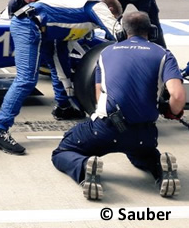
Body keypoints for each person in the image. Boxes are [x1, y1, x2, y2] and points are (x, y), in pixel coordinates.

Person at [51, 11, 184, 200]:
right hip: (143, 133)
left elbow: (98, 97)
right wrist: (171, 111)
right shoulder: (163, 54)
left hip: (105, 129)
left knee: (63, 150)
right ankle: (158, 168)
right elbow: (178, 96)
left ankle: (83, 168)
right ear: (152, 31)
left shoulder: (105, 53)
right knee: (140, 153)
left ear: (122, 32)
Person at [0, 0, 123, 156]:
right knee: (26, 80)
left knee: (61, 65)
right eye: (115, 16)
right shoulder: (97, 6)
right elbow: (119, 33)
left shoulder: (74, 14)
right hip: (29, 24)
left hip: (44, 29)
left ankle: (63, 107)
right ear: (111, 10)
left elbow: (60, 59)